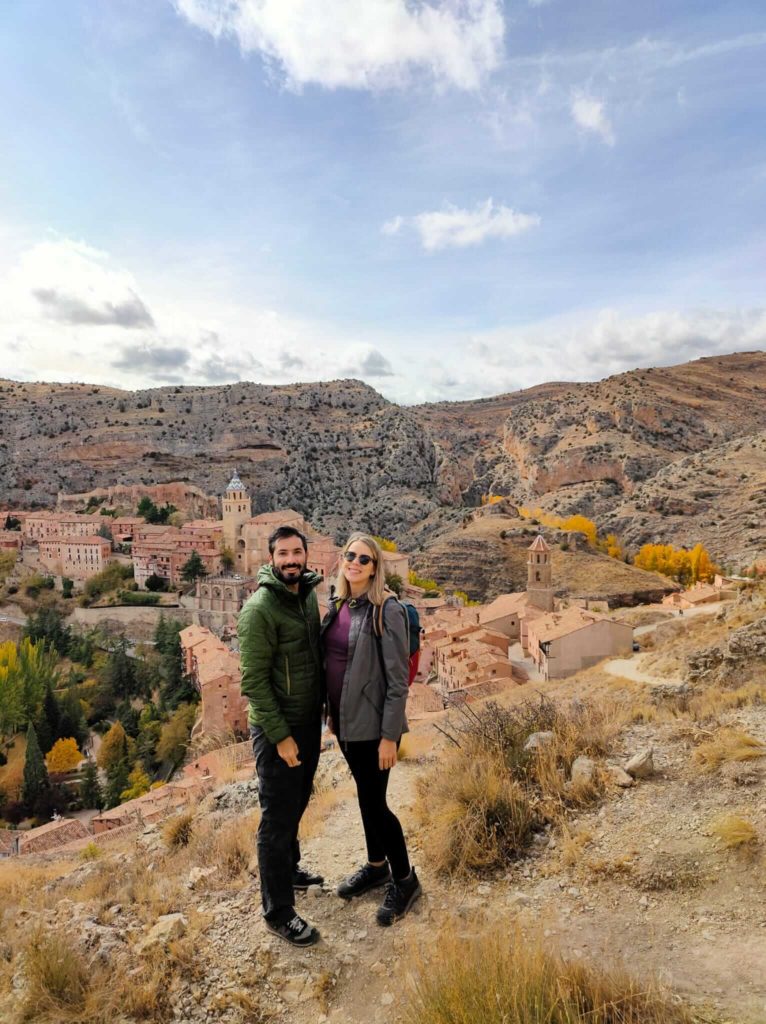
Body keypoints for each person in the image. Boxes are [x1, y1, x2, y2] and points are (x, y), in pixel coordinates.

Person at [321, 532, 421, 926]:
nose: (355, 563)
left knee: (376, 806)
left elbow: (397, 681)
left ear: (375, 567)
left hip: (373, 728)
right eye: (350, 556)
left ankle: (405, 879)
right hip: (345, 724)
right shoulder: (339, 604)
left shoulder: (386, 610)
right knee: (366, 799)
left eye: (365, 559)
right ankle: (377, 865)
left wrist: (389, 737)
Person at [238, 525, 324, 947]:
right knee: (276, 817)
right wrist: (280, 736)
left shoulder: (307, 596)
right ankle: (278, 910)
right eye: (283, 553)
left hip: (308, 722)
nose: (291, 559)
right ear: (271, 558)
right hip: (278, 730)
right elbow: (253, 680)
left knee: (299, 801)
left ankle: (290, 870)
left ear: (305, 555)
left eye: (297, 552)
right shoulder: (259, 609)